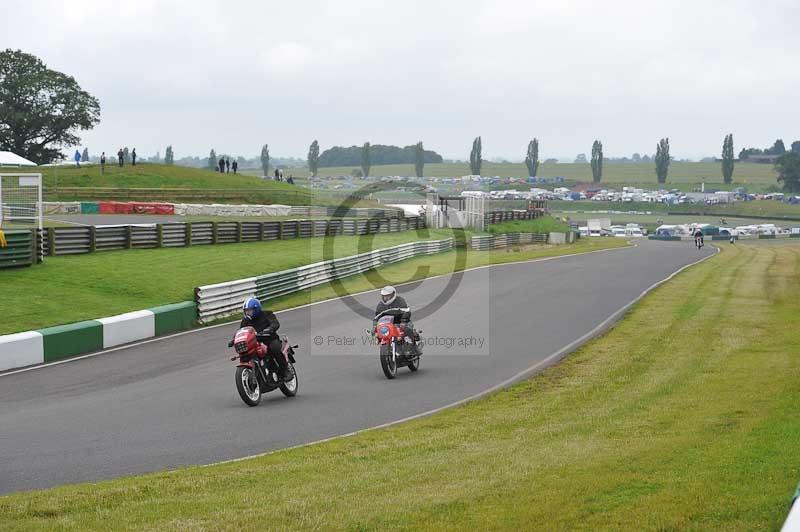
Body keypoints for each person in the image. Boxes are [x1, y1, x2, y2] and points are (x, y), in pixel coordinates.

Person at [231, 297, 292, 381]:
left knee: (274, 348)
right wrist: (234, 339)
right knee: (245, 354)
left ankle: (285, 370)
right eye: (246, 311)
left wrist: (270, 329)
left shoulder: (267, 314)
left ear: (256, 309)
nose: (248, 313)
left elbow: (275, 323)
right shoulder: (245, 321)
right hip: (254, 342)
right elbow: (241, 331)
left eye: (250, 310)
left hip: (269, 339)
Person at [373, 285, 420, 351]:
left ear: (393, 294)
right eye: (384, 296)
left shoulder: (400, 301)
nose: (386, 298)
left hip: (401, 321)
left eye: (388, 296)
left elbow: (406, 312)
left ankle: (414, 346)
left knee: (407, 329)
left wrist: (403, 321)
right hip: (389, 324)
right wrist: (375, 326)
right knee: (380, 334)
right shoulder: (381, 305)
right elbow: (376, 318)